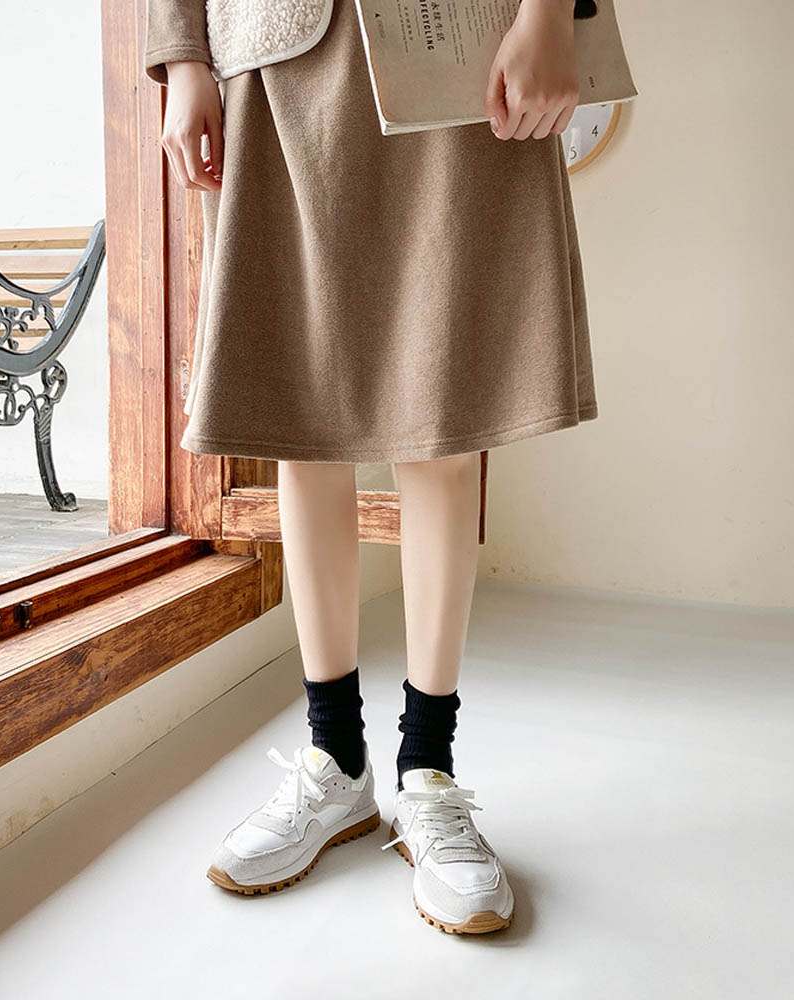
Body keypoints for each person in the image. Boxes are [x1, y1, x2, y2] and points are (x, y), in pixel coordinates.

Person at [143, 0, 598, 935]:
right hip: (274, 52)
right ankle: (336, 763)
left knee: (445, 416)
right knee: (298, 415)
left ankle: (427, 768)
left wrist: (552, 11)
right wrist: (181, 55)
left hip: (460, 43)